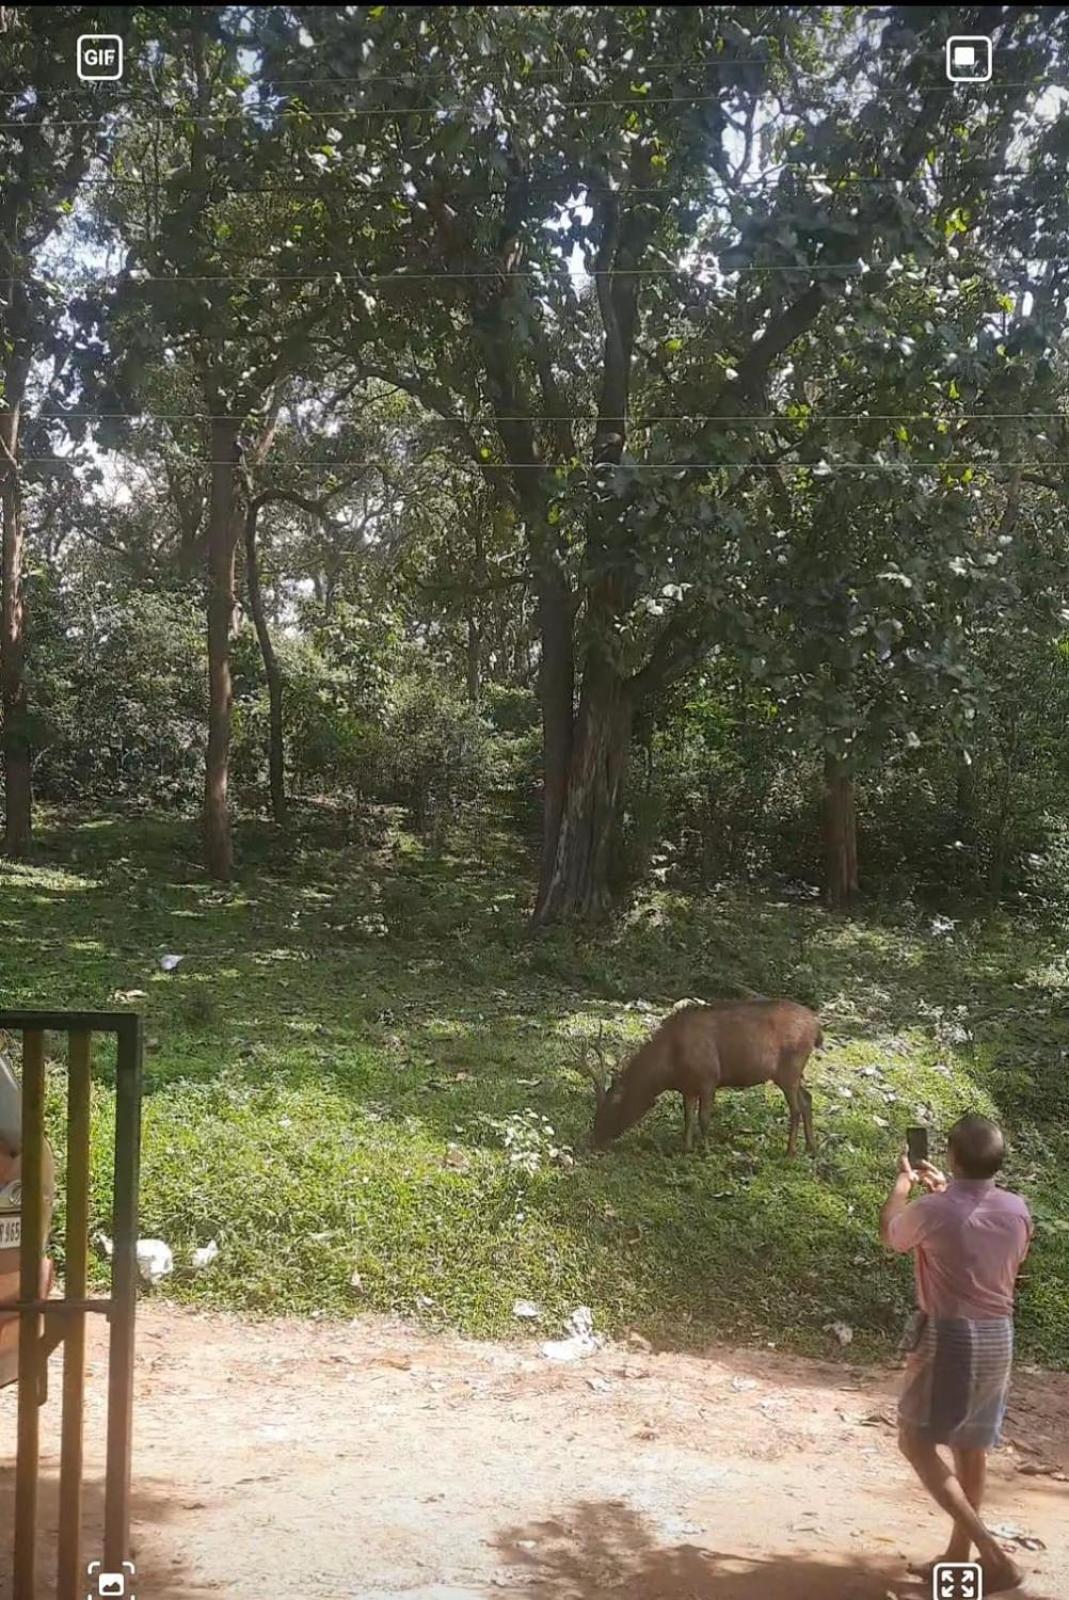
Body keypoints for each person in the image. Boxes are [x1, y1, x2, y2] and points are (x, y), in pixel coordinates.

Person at [880, 1113, 1033, 1596]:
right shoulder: (1016, 1208)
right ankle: (957, 1556)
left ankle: (992, 1555)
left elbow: (893, 1237)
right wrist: (949, 1191)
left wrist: (903, 1188)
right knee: (971, 1446)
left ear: (951, 1156)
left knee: (915, 1442)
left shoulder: (932, 1209)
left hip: (950, 1337)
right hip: (998, 1336)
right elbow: (997, 1250)